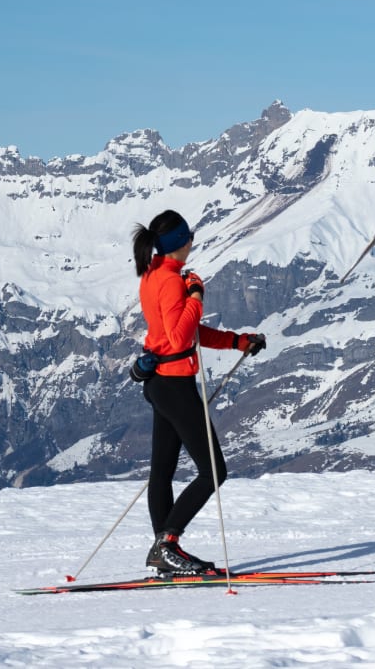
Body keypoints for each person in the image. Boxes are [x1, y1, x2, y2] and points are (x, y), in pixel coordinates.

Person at [132, 209, 266, 574]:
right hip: (175, 385)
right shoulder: (175, 281)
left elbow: (187, 332)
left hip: (159, 383)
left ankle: (166, 554)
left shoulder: (152, 274)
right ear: (180, 242)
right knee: (214, 472)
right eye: (189, 235)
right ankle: (167, 544)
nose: (193, 239)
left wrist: (237, 341)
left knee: (162, 472)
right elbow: (180, 336)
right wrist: (197, 294)